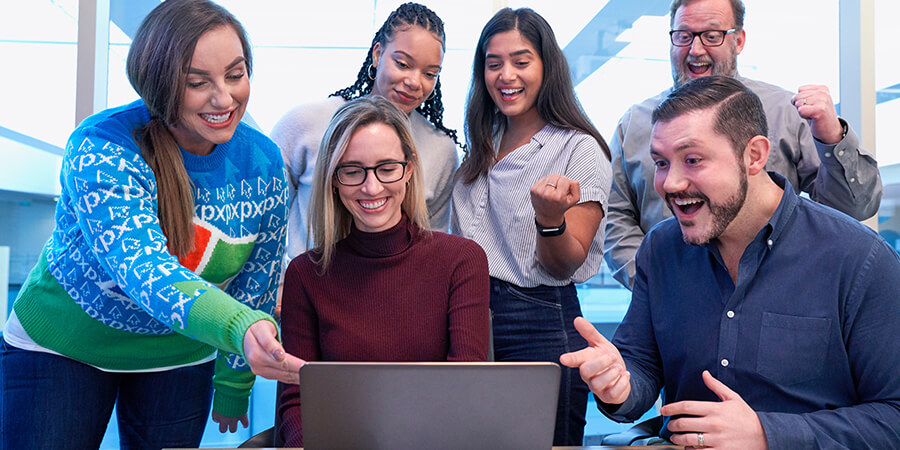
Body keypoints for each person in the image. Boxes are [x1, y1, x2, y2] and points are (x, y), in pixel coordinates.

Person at [0, 1, 304, 448]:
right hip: (63, 347)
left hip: (180, 356)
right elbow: (144, 268)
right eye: (197, 83)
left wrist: (235, 383)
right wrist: (240, 327)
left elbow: (255, 279)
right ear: (158, 83)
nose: (224, 98)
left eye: (235, 75)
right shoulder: (101, 145)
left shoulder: (262, 161)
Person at [561, 76, 900, 449]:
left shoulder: (857, 258)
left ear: (754, 156)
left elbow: (894, 415)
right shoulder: (661, 248)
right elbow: (640, 367)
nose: (669, 183)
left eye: (693, 160)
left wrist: (767, 435)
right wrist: (619, 384)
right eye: (660, 162)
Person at [603, 0, 883, 289]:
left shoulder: (785, 113)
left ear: (738, 40)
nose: (695, 50)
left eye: (712, 36)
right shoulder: (634, 124)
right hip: (670, 312)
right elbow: (615, 217)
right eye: (683, 36)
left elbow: (855, 209)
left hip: (776, 300)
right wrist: (655, 285)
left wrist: (832, 139)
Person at [275, 96, 490, 447]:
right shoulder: (305, 274)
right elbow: (296, 401)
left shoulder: (461, 261)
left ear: (409, 168)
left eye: (386, 168)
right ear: (333, 179)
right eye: (352, 170)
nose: (371, 187)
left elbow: (463, 389)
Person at [452, 8, 613, 446]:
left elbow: (565, 264)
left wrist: (549, 220)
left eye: (521, 61)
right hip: (470, 315)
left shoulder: (579, 149)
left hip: (539, 319)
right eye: (493, 62)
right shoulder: (480, 144)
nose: (506, 75)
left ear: (547, 67)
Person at [271, 2, 459, 265]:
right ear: (377, 54)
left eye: (430, 73)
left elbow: (430, 247)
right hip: (304, 290)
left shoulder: (441, 150)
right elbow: (265, 220)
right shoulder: (305, 124)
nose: (415, 82)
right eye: (403, 63)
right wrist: (280, 283)